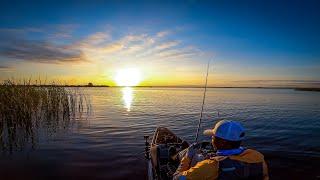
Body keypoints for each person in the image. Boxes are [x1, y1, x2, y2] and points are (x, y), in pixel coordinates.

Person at [173, 120, 269, 180]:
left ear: (223, 142)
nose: (211, 139)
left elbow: (177, 178)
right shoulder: (257, 156)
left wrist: (187, 157)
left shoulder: (209, 166)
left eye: (213, 137)